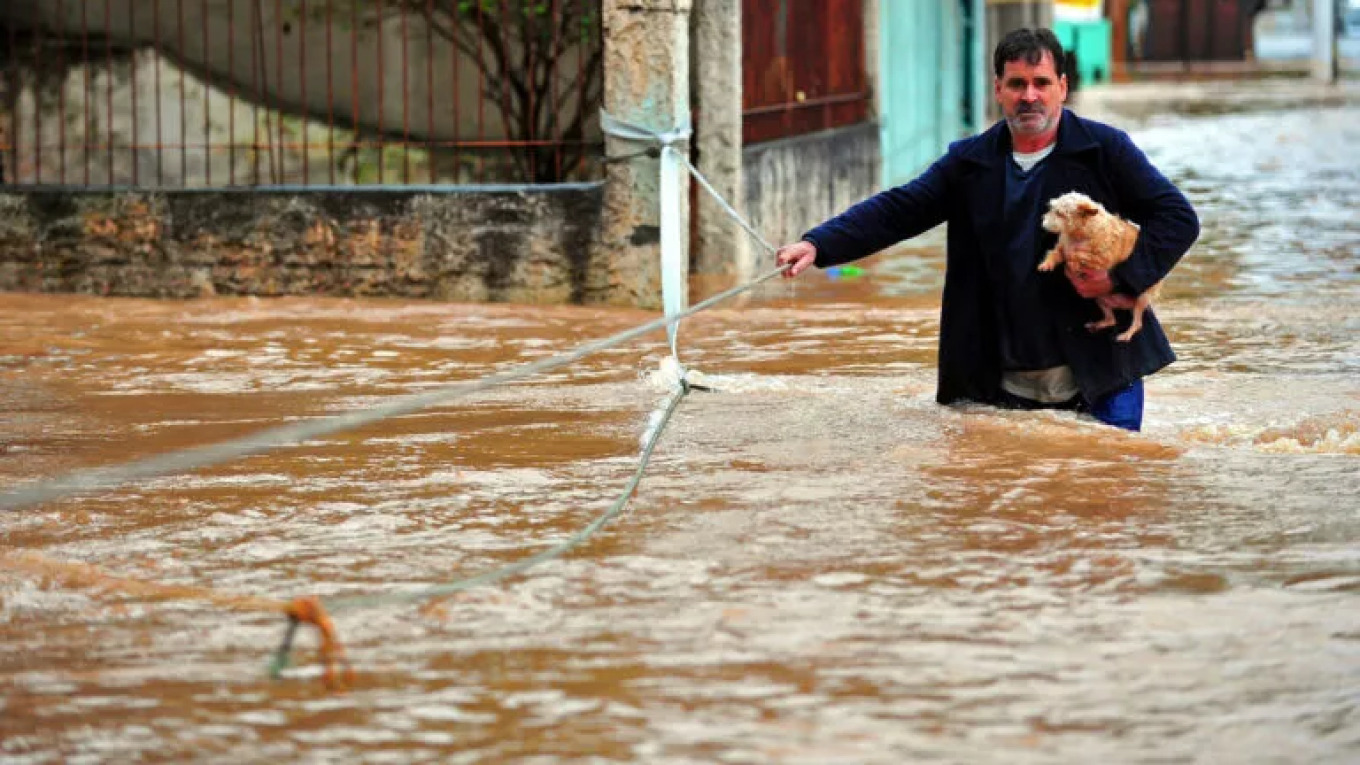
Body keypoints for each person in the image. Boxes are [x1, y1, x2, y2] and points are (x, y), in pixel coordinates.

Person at [774, 27, 1199, 431]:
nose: (1028, 96)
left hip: (1103, 368)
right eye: (1016, 84)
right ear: (998, 89)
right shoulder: (970, 162)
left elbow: (1178, 219)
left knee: (1106, 483)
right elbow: (899, 209)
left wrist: (1119, 278)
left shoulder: (1105, 150)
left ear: (1063, 88)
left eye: (1041, 83)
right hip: (1001, 377)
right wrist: (818, 244)